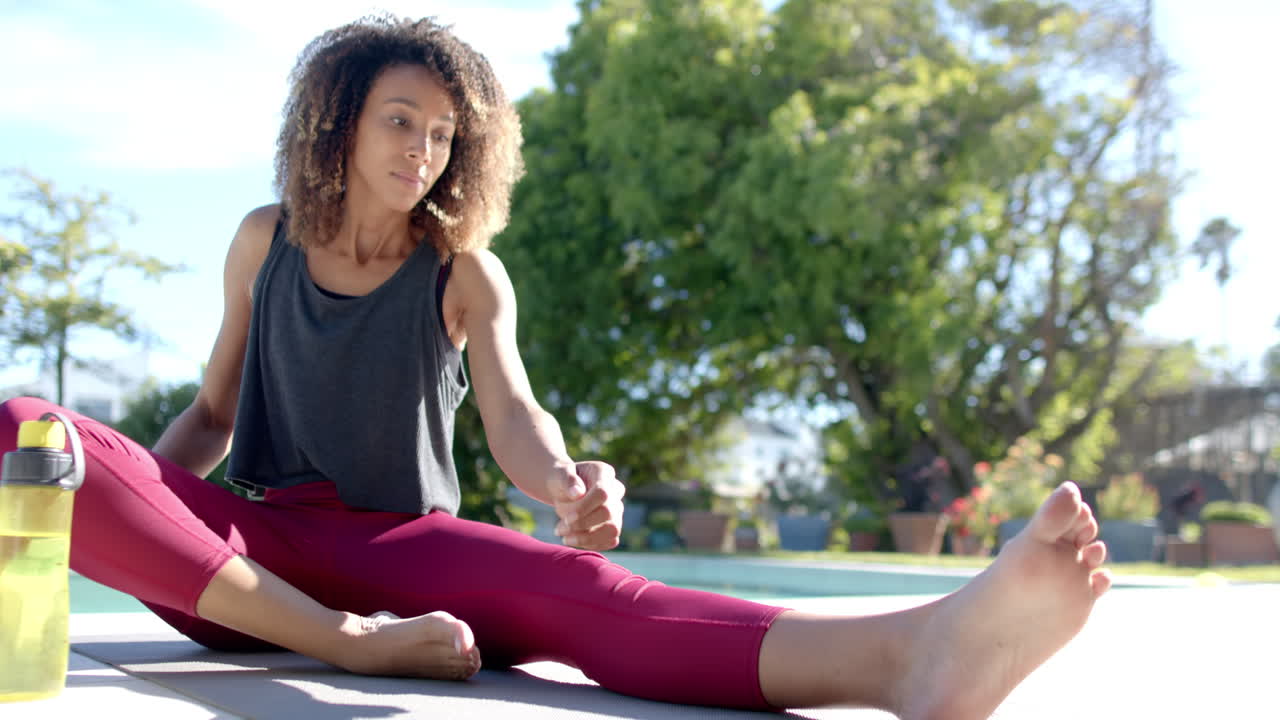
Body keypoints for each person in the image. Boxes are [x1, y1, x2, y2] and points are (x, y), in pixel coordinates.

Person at [0, 16, 1111, 718]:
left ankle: (907, 658)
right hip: (252, 562)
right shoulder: (264, 238)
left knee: (581, 597)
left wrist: (567, 483)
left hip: (404, 556)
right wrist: (135, 505)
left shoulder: (464, 274)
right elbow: (209, 410)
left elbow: (515, 419)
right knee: (28, 425)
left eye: (442, 134)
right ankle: (345, 647)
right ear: (337, 123)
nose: (419, 151)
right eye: (398, 121)